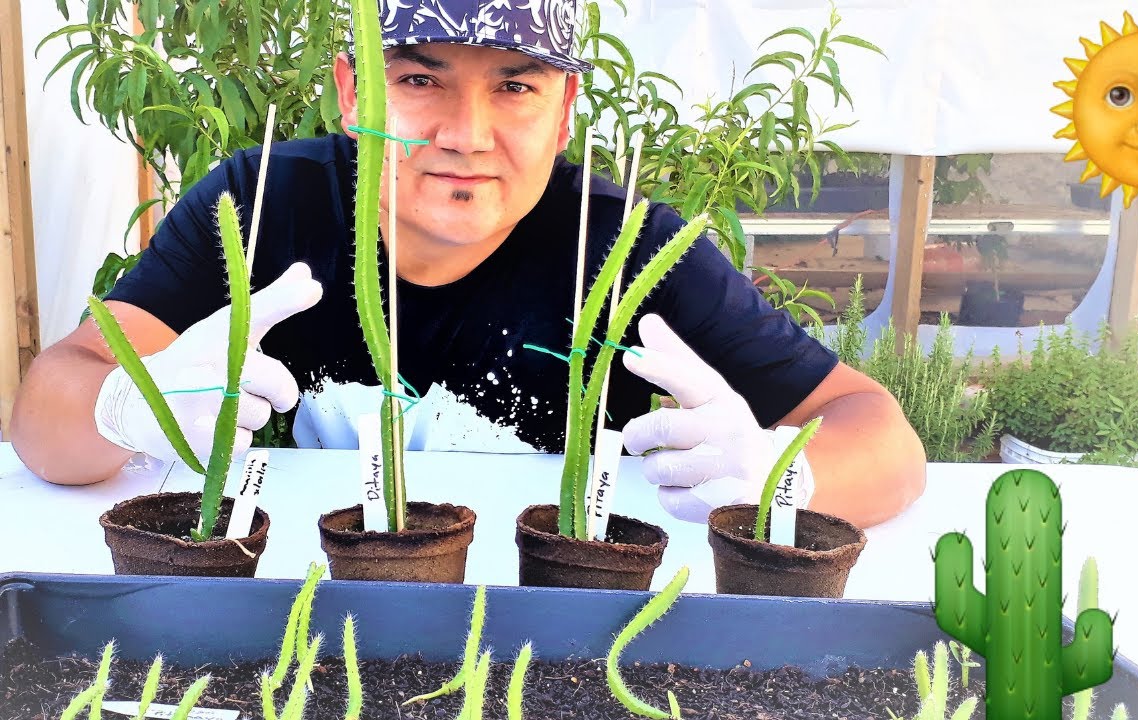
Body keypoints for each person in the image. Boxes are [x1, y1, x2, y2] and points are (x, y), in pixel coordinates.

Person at [10, 0, 925, 529]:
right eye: (418, 79)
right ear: (352, 88)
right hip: (323, 606)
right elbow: (46, 410)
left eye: (515, 85)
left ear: (564, 112)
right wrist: (126, 404)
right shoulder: (261, 205)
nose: (465, 135)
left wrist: (782, 473)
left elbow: (882, 440)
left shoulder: (630, 248)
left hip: (560, 624)